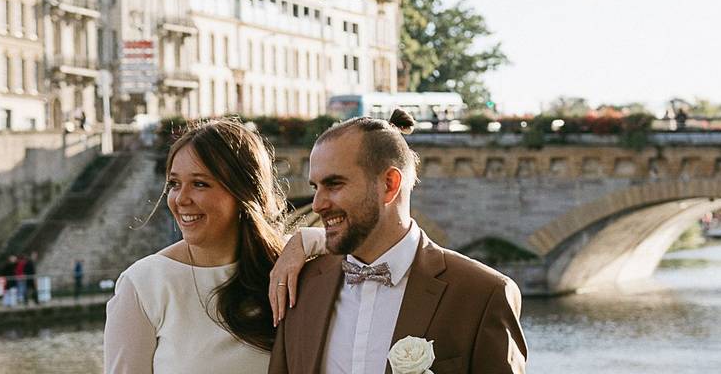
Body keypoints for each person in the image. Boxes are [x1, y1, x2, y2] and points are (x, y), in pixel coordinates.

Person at [269, 108, 528, 374]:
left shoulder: (481, 295)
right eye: (315, 187)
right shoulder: (300, 287)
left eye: (334, 184)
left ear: (389, 184)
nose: (317, 204)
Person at [104, 118, 325, 374]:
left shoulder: (290, 265)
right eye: (174, 184)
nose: (180, 199)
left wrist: (306, 240)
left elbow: (371, 244)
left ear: (243, 192)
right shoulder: (144, 284)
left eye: (200, 184)